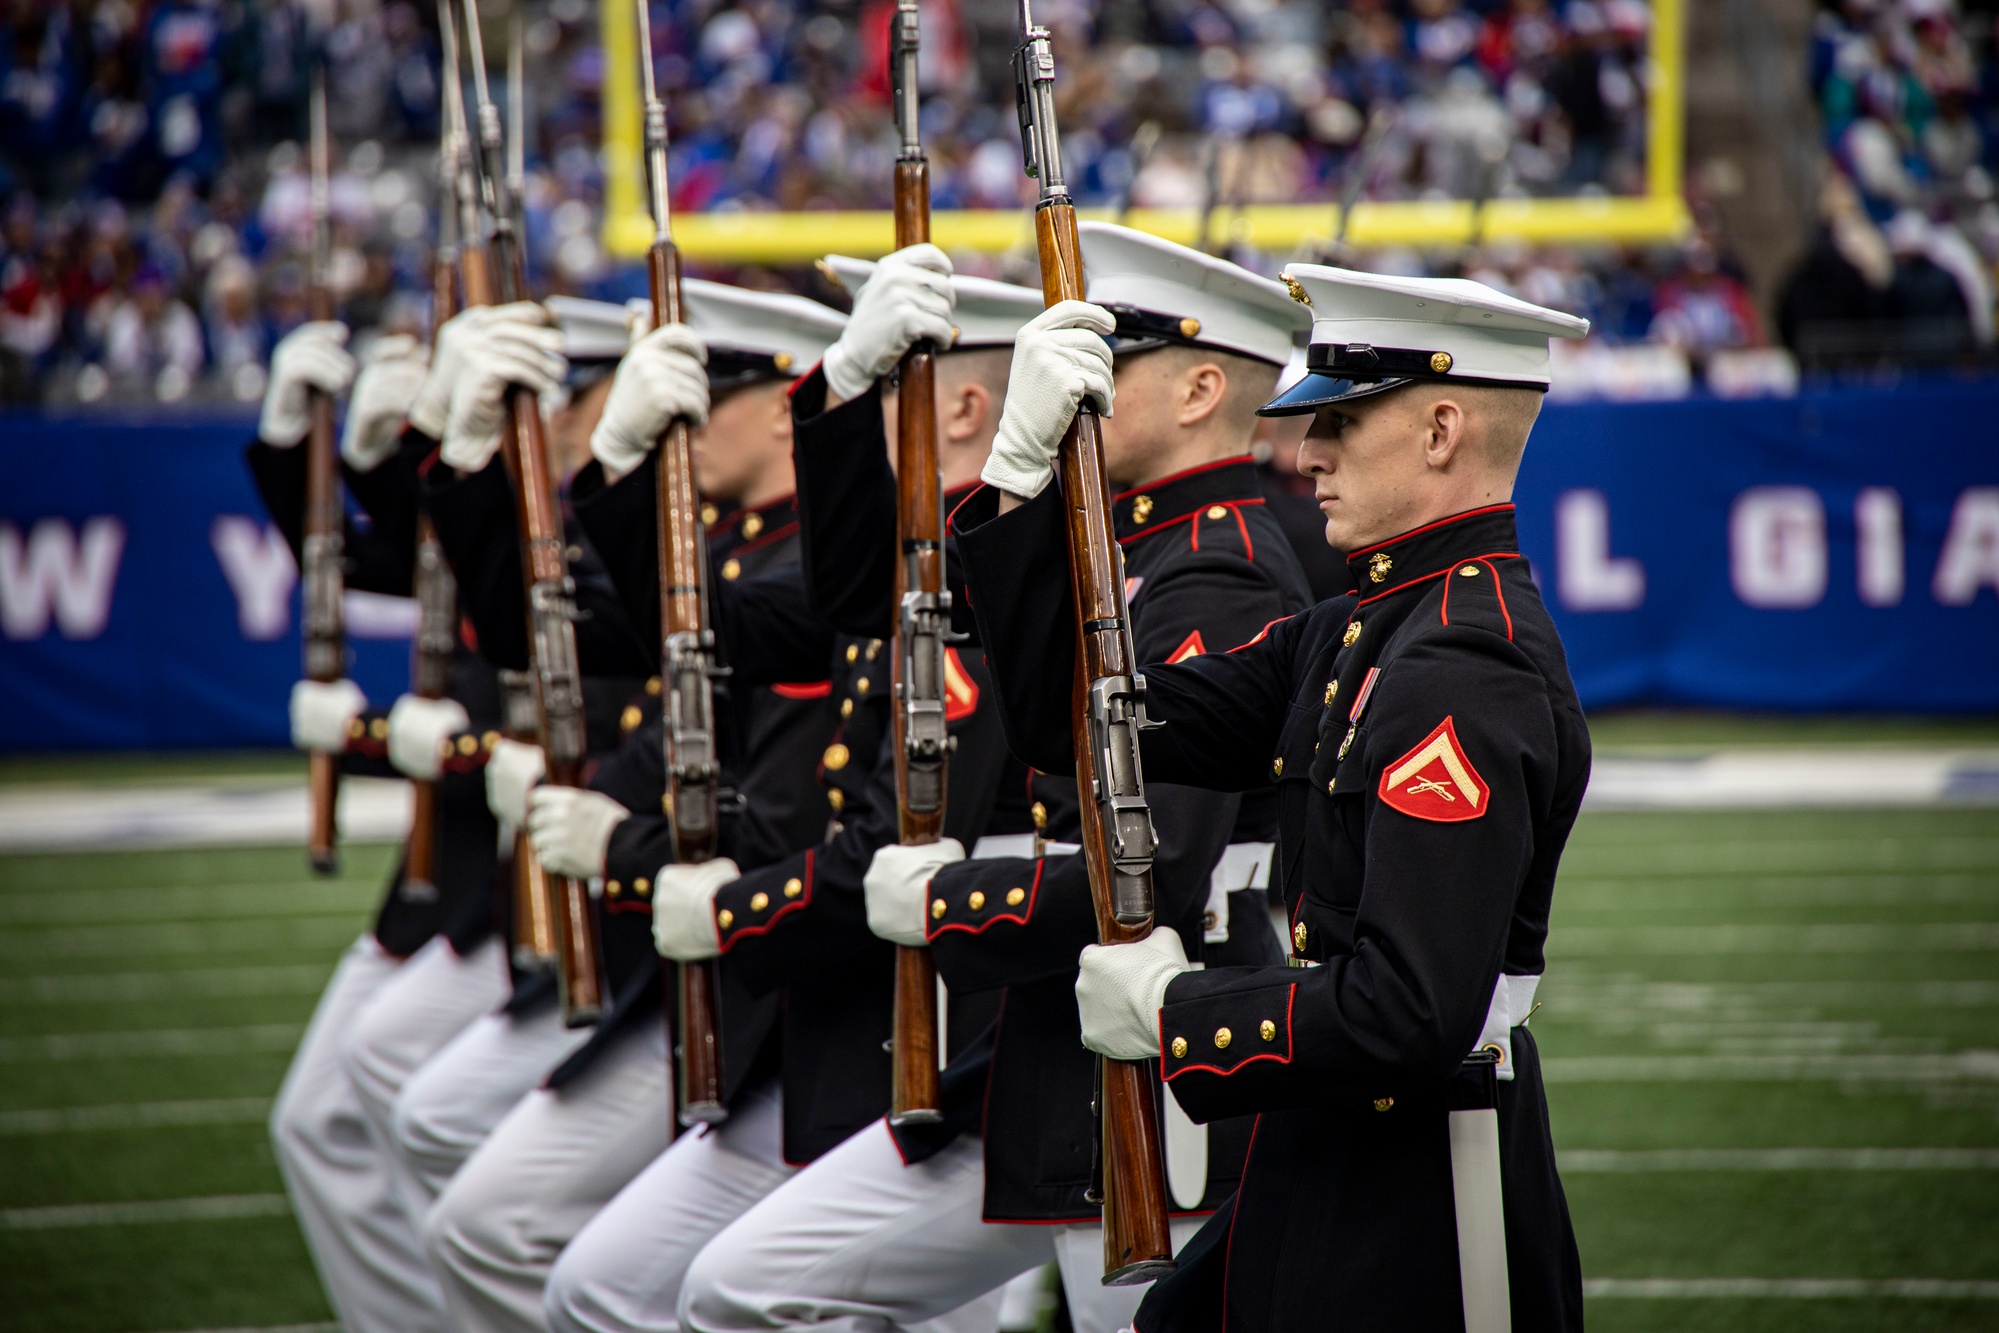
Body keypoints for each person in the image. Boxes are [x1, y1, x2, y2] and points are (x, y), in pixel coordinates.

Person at [671, 226, 1315, 1333]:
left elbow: (1145, 868)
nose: (1076, 382)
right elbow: (886, 598)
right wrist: (865, 408)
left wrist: (941, 901)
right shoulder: (1127, 544)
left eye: (1111, 356)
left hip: (1157, 1067)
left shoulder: (1212, 566)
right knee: (742, 1285)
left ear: (1204, 386)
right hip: (1041, 1049)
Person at [952, 262, 1593, 1332]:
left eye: (1340, 420)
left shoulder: (1463, 663)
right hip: (1329, 1143)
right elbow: (1085, 725)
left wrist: (1171, 1013)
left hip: (1423, 1187)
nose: (1306, 453)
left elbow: (1405, 1013)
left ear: (1440, 431)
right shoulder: (1362, 628)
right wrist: (1019, 482)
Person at [538, 247, 1017, 1333]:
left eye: (881, 391)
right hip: (842, 1032)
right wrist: (612, 472)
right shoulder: (898, 568)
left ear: (961, 405)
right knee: (606, 1286)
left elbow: (887, 838)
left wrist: (707, 903)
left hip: (947, 1042)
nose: (849, 433)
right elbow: (702, 618)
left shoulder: (984, 569)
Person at [252, 319, 508, 1333]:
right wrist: (333, 450)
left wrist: (377, 735)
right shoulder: (508, 492)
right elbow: (393, 557)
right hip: (448, 866)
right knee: (319, 1119)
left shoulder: (586, 507)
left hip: (520, 874)